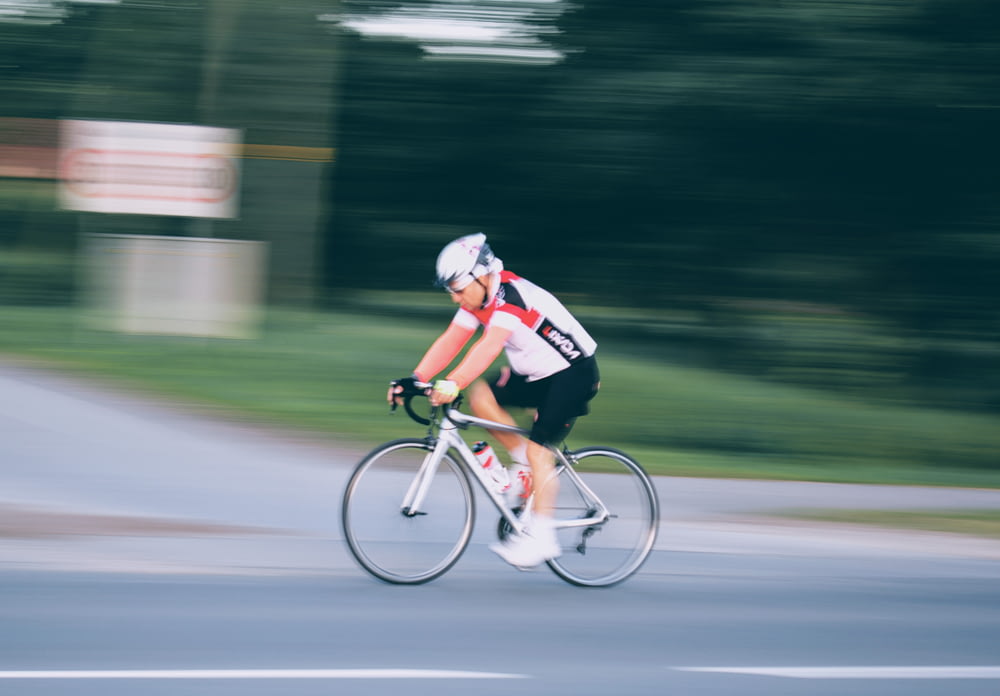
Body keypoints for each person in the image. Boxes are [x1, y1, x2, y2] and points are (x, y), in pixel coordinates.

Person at [388, 233, 600, 568]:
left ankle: (542, 539)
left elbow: (488, 346)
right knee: (481, 395)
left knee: (539, 450)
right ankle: (522, 466)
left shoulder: (511, 296)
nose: (455, 298)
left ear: (481, 275)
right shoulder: (478, 299)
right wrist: (417, 379)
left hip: (572, 374)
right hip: (533, 374)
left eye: (458, 288)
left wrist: (453, 382)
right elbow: (454, 338)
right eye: (450, 291)